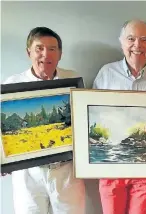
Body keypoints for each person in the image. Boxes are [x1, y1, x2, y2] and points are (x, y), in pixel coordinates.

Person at [93, 19, 146, 214]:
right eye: (131, 39)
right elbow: (93, 115)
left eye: (144, 39)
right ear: (121, 42)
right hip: (111, 164)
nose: (137, 45)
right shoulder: (106, 73)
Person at [2, 27, 85, 214]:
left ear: (60, 54)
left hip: (66, 170)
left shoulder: (72, 80)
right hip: (28, 173)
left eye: (52, 49)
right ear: (28, 52)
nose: (45, 54)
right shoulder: (11, 85)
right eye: (39, 48)